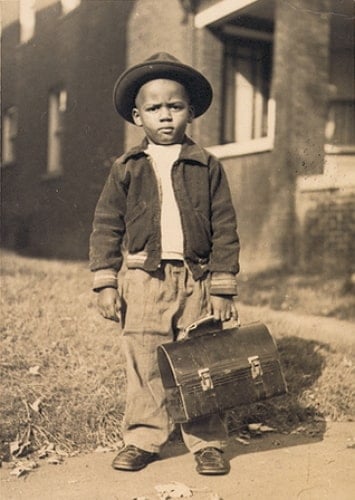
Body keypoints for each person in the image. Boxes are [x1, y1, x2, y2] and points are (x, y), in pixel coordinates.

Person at [89, 52, 240, 475]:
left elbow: (225, 226)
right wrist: (105, 281)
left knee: (199, 360)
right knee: (144, 359)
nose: (166, 116)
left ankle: (206, 442)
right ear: (138, 117)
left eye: (174, 106)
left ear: (190, 111)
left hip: (196, 279)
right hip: (142, 279)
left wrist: (223, 285)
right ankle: (143, 438)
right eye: (154, 109)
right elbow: (105, 225)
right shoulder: (127, 168)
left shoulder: (206, 165)